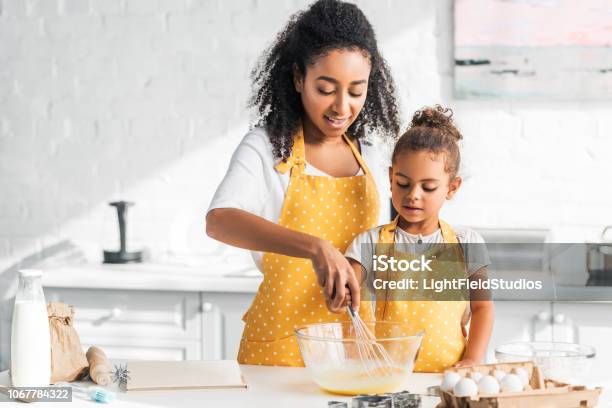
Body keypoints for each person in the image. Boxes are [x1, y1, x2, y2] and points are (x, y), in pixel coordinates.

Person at [206, 0, 400, 366]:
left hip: (354, 348)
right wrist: (316, 248)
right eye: (326, 89)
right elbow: (219, 221)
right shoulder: (266, 148)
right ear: (298, 78)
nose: (342, 106)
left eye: (356, 91)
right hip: (279, 351)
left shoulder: (372, 157)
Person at [345, 105, 494, 372]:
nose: (413, 194)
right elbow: (348, 291)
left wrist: (472, 359)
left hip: (448, 378)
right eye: (403, 183)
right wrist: (342, 291)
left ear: (452, 188)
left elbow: (482, 309)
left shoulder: (466, 243)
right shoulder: (368, 243)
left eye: (428, 187)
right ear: (391, 178)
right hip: (384, 378)